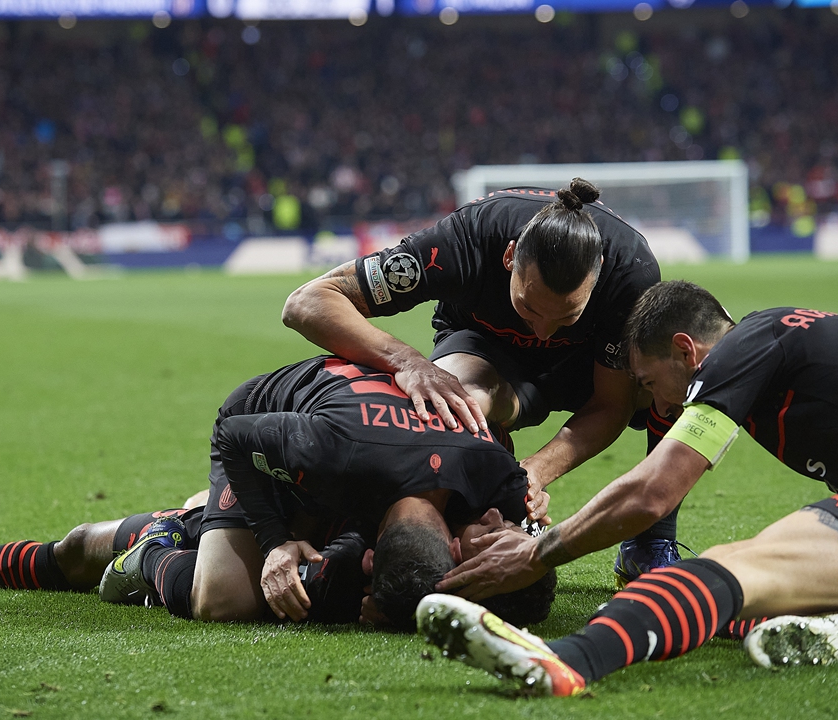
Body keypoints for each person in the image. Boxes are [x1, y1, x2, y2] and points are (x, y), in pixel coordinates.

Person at [418, 279, 838, 695]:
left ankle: (569, 660)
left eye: (649, 383)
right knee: (777, 582)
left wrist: (536, 554)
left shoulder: (745, 346)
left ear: (685, 350)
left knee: (737, 565)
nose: (656, 403)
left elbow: (651, 494)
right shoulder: (782, 348)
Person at [0, 355, 555, 628]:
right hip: (263, 432)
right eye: (493, 538)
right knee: (225, 599)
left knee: (324, 585)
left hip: (355, 479)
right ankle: (154, 545)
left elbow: (522, 535)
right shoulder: (333, 452)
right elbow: (236, 436)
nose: (497, 531)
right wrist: (277, 540)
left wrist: (528, 539)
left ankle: (190, 529)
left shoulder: (495, 483)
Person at [283, 179, 677, 584]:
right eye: (527, 307)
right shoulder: (463, 241)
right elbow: (307, 302)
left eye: (566, 316)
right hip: (486, 354)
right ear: (509, 257)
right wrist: (408, 362)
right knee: (455, 403)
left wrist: (534, 472)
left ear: (598, 277)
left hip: (587, 368)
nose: (543, 332)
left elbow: (611, 404)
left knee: (673, 381)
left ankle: (652, 541)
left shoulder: (631, 274)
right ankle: (399, 535)